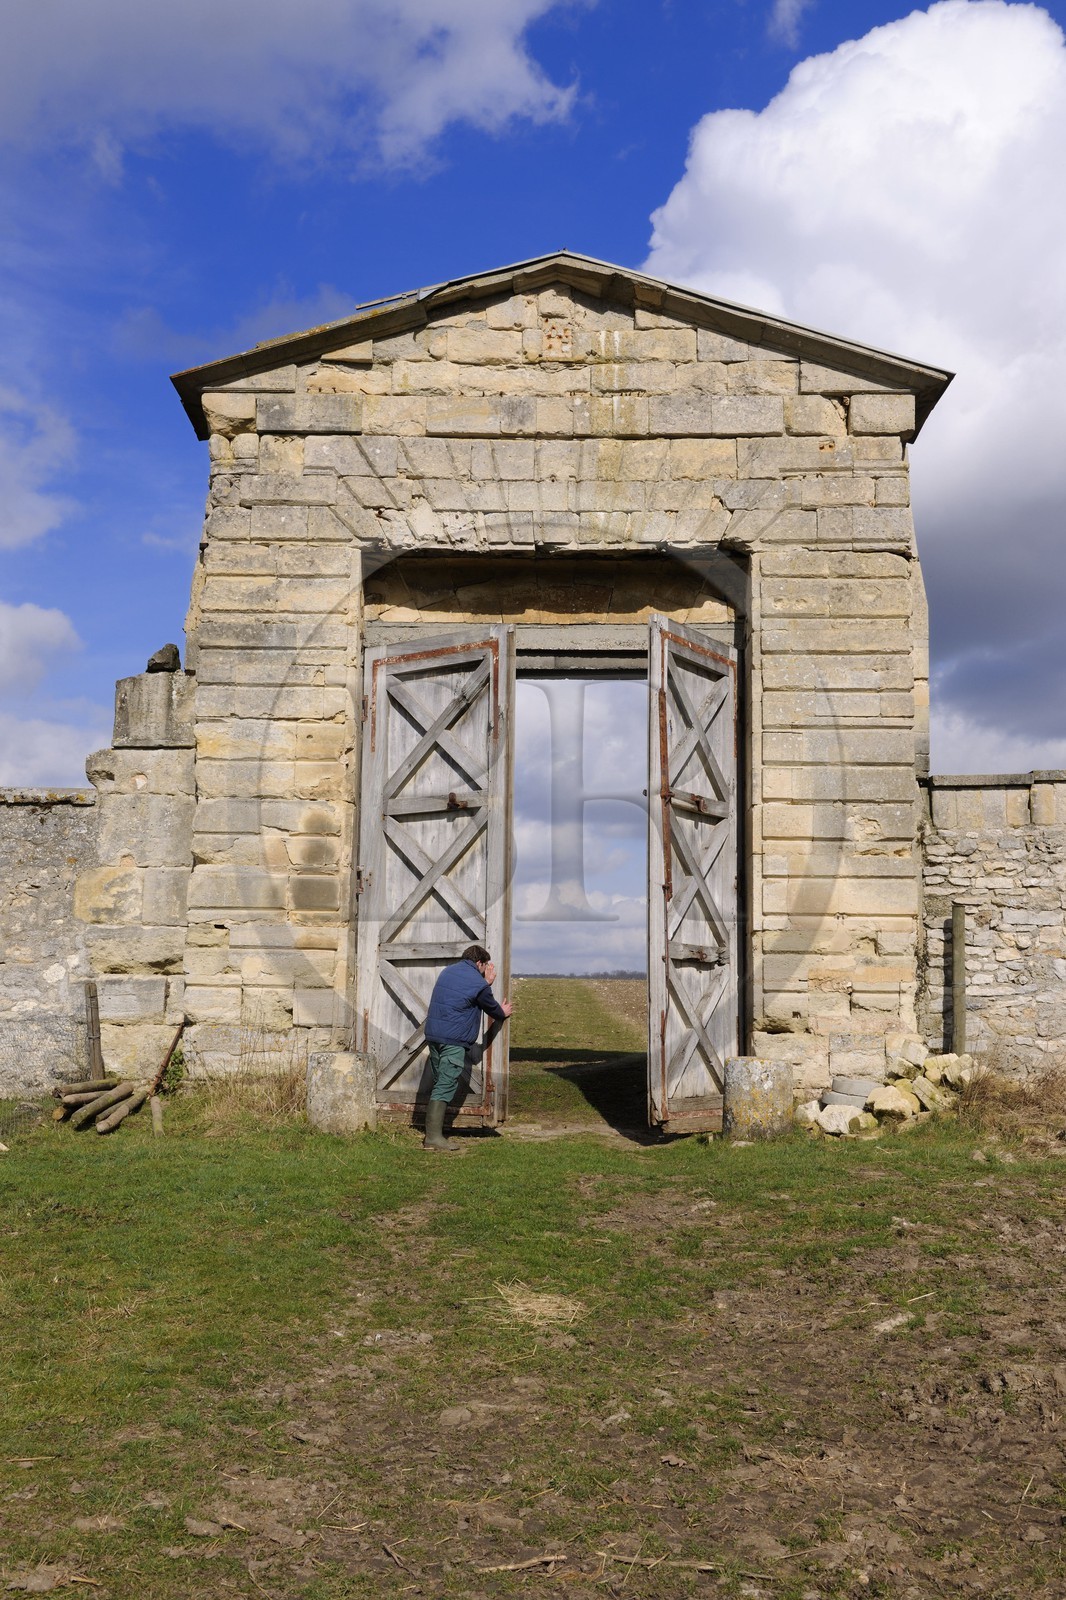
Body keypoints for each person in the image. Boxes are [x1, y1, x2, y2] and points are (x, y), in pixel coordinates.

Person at [422, 944, 512, 1151]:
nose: (485, 970)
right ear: (479, 963)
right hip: (453, 1041)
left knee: (439, 1083)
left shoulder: (448, 971)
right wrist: (501, 1008)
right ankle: (433, 1138)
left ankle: (433, 1134)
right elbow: (491, 1008)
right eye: (485, 966)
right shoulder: (477, 982)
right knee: (445, 1085)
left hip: (434, 1036)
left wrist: (484, 982)